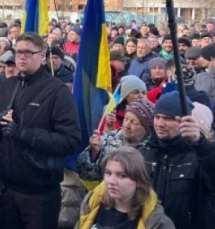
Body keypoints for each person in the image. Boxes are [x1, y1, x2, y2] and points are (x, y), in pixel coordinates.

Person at [0, 32, 81, 229]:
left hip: (39, 194)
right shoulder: (8, 85)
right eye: (18, 52)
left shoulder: (57, 91)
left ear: (42, 55)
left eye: (28, 52)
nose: (22, 57)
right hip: (7, 188)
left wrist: (21, 132)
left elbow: (69, 140)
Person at [138, 91, 215, 228]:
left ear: (184, 121)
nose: (160, 124)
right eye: (157, 117)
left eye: (168, 118)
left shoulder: (200, 155)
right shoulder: (143, 152)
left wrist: (201, 145)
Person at [77, 147, 174, 229]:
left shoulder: (155, 220)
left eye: (122, 175)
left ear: (138, 179)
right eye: (108, 173)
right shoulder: (92, 203)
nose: (111, 181)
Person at [78, 98, 154, 181]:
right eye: (126, 119)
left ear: (146, 128)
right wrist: (94, 153)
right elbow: (85, 174)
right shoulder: (109, 138)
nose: (127, 125)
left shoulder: (153, 148)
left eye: (134, 122)